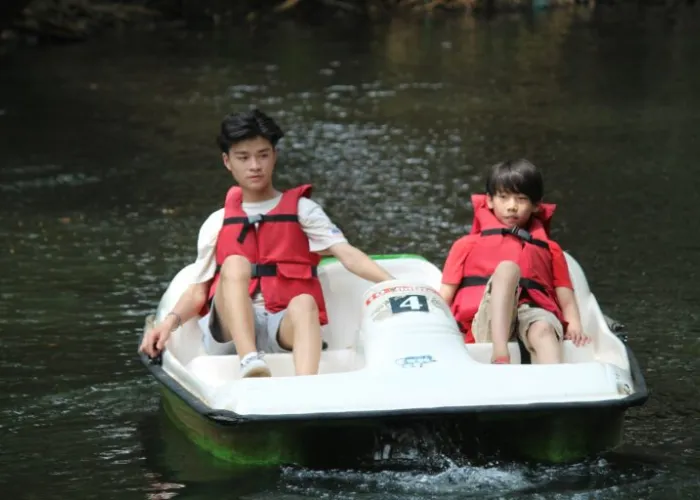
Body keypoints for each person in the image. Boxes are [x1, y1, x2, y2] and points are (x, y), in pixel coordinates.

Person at [139, 109, 394, 377]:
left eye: (263, 155)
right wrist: (167, 324)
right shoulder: (218, 222)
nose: (255, 166)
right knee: (236, 263)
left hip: (281, 325)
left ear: (275, 156)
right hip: (229, 334)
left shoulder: (304, 211)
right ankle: (250, 360)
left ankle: (306, 388)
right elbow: (197, 292)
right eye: (243, 157)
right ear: (227, 162)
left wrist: (395, 284)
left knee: (305, 301)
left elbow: (348, 255)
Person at [439, 159, 590, 364]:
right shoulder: (465, 245)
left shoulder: (551, 249)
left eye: (521, 199)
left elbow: (567, 299)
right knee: (508, 269)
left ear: (536, 205)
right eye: (503, 197)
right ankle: (501, 354)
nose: (512, 206)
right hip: (485, 321)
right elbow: (445, 296)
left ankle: (554, 387)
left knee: (544, 328)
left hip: (532, 313)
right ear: (490, 201)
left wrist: (574, 326)